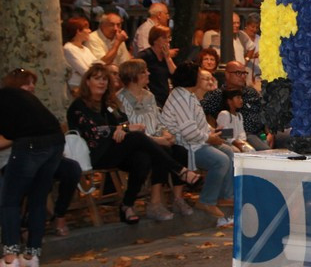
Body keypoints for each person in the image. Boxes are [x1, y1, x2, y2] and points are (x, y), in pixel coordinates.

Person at [67, 64, 198, 225]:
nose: (102, 82)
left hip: (116, 150)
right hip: (95, 154)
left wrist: (123, 128)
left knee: (143, 158)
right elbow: (95, 131)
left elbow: (123, 122)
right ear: (87, 82)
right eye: (97, 79)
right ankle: (180, 170)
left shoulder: (109, 104)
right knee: (137, 137)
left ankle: (127, 205)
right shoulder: (79, 106)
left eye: (105, 79)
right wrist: (121, 129)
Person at [1, 68, 80, 240]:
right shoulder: (6, 105)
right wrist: (25, 136)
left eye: (32, 84)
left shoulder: (34, 106)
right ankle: (23, 227)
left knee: (72, 169)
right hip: (11, 160)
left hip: (42, 154)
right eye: (26, 83)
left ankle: (59, 214)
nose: (31, 87)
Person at [115, 59, 193, 217]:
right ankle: (155, 203)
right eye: (144, 71)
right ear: (133, 76)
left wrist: (166, 133)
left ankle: (178, 199)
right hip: (137, 143)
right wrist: (157, 140)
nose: (148, 73)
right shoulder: (119, 98)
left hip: (158, 138)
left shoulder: (149, 96)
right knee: (162, 152)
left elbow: (158, 119)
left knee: (181, 151)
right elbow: (126, 128)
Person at [159, 63, 235, 225]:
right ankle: (206, 200)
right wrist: (210, 138)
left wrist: (214, 132)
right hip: (185, 145)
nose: (202, 79)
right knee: (220, 160)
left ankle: (225, 196)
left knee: (229, 151)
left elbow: (200, 124)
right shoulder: (181, 98)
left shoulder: (189, 95)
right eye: (200, 76)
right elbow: (189, 132)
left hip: (198, 141)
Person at [0, 82, 65, 267]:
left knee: (10, 200)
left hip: (31, 145)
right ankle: (32, 255)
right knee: (38, 198)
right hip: (56, 142)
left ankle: (10, 256)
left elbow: (8, 137)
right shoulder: (15, 94)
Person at [201, 61, 272, 150]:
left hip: (262, 133)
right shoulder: (218, 95)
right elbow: (198, 113)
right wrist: (215, 132)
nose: (243, 76)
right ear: (227, 75)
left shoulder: (251, 92)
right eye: (238, 73)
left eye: (244, 73)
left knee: (286, 137)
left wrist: (271, 132)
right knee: (267, 152)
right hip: (242, 136)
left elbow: (265, 111)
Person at [136, 25, 177, 107]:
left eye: (169, 37)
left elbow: (175, 75)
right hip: (149, 99)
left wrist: (168, 58)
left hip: (164, 98)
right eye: (164, 38)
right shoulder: (145, 56)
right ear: (155, 40)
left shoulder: (166, 57)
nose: (168, 40)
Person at [63, 16, 99, 92]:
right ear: (78, 31)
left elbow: (97, 64)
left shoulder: (86, 49)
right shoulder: (68, 48)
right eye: (87, 28)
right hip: (77, 87)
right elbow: (84, 71)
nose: (90, 31)